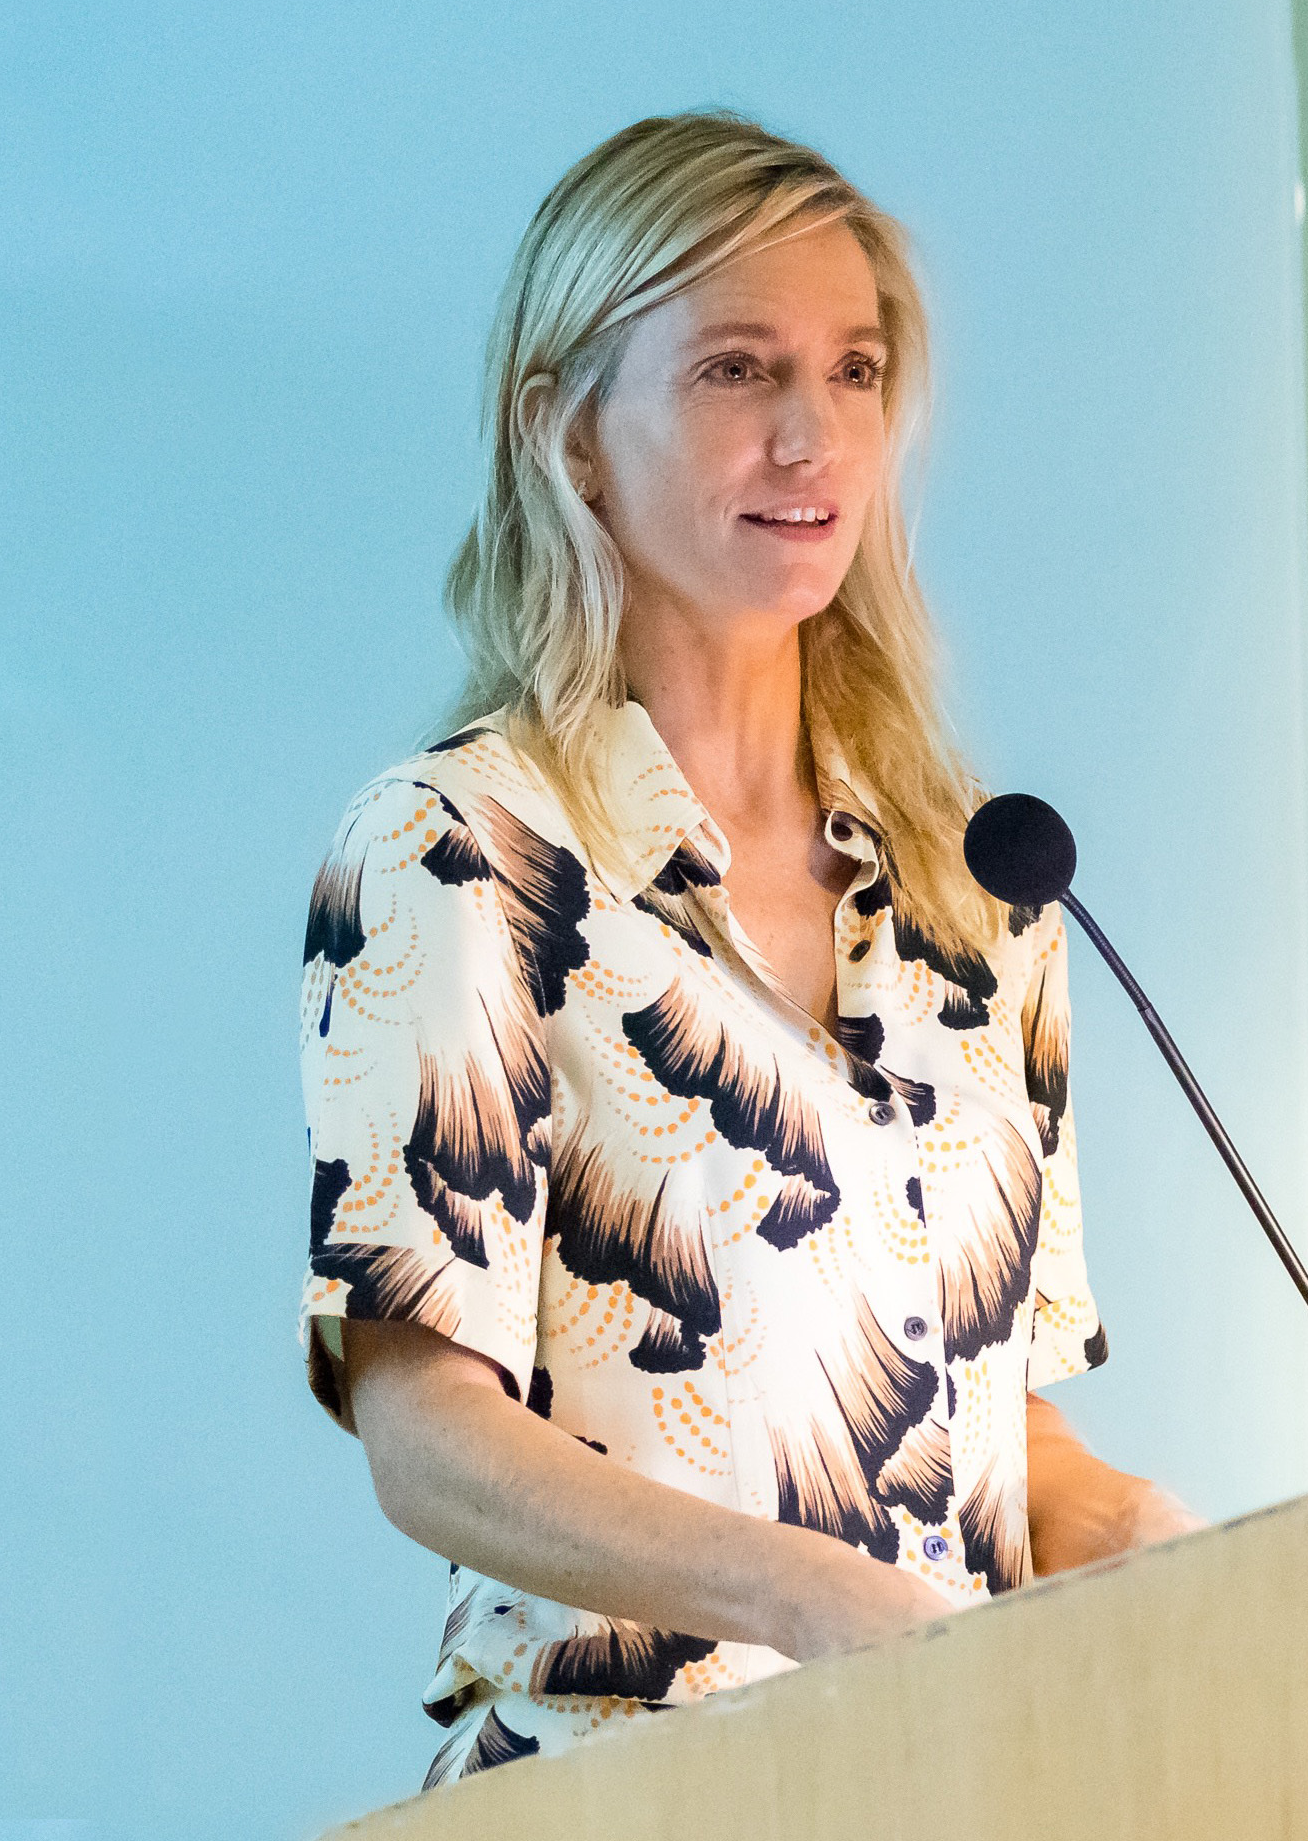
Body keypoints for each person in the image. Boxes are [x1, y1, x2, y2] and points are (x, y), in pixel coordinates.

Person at [295, 111, 1197, 1788]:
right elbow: (427, 1438)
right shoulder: (456, 853)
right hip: (619, 1786)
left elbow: (994, 1424)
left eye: (853, 374)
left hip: (952, 1792)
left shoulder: (976, 887)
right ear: (564, 434)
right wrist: (819, 1603)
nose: (811, 438)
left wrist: (1133, 1527)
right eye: (735, 370)